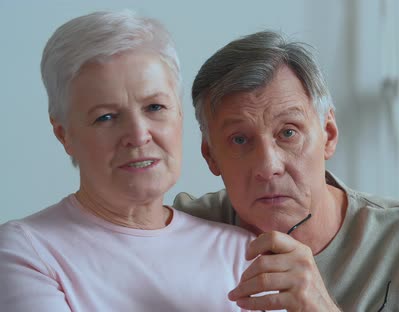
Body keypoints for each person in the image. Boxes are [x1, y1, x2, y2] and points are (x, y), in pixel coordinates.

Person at [174, 30, 399, 311]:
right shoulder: (182, 232)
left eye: (288, 132)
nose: (269, 167)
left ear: (328, 135)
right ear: (210, 155)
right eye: (240, 139)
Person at [0, 10, 254, 311]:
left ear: (180, 116)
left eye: (155, 107)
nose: (137, 135)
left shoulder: (242, 251)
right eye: (106, 116)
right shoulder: (26, 252)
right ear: (64, 134)